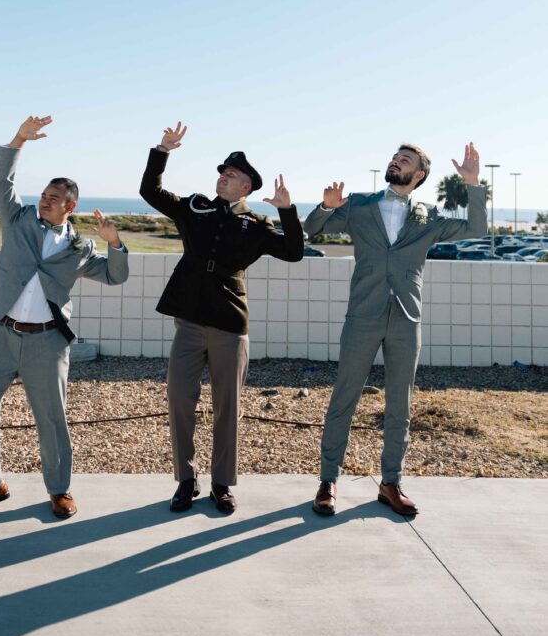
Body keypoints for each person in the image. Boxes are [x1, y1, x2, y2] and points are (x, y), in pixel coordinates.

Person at [0, 115, 128, 520]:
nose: (45, 199)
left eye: (54, 197)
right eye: (44, 193)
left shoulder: (79, 250)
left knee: (51, 418)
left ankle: (60, 490)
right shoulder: (16, 221)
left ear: (71, 206)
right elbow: (2, 184)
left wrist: (115, 242)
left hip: (47, 342)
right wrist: (18, 141)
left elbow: (116, 276)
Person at [306, 142, 487, 517]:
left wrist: (474, 184)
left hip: (406, 318)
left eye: (404, 160)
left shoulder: (430, 216)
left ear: (418, 175)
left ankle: (390, 483)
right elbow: (312, 230)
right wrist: (326, 205)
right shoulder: (359, 205)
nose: (395, 162)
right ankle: (328, 481)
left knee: (399, 406)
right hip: (363, 314)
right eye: (394, 157)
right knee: (345, 397)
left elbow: (477, 227)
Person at [140, 121, 304, 514]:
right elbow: (151, 192)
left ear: (247, 186)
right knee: (180, 399)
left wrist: (288, 212)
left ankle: (221, 483)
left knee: (227, 407)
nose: (223, 177)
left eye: (231, 175)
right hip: (190, 320)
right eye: (222, 173)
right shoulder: (196, 207)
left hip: (230, 323)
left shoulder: (256, 224)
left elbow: (294, 252)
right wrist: (162, 151)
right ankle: (185, 480)